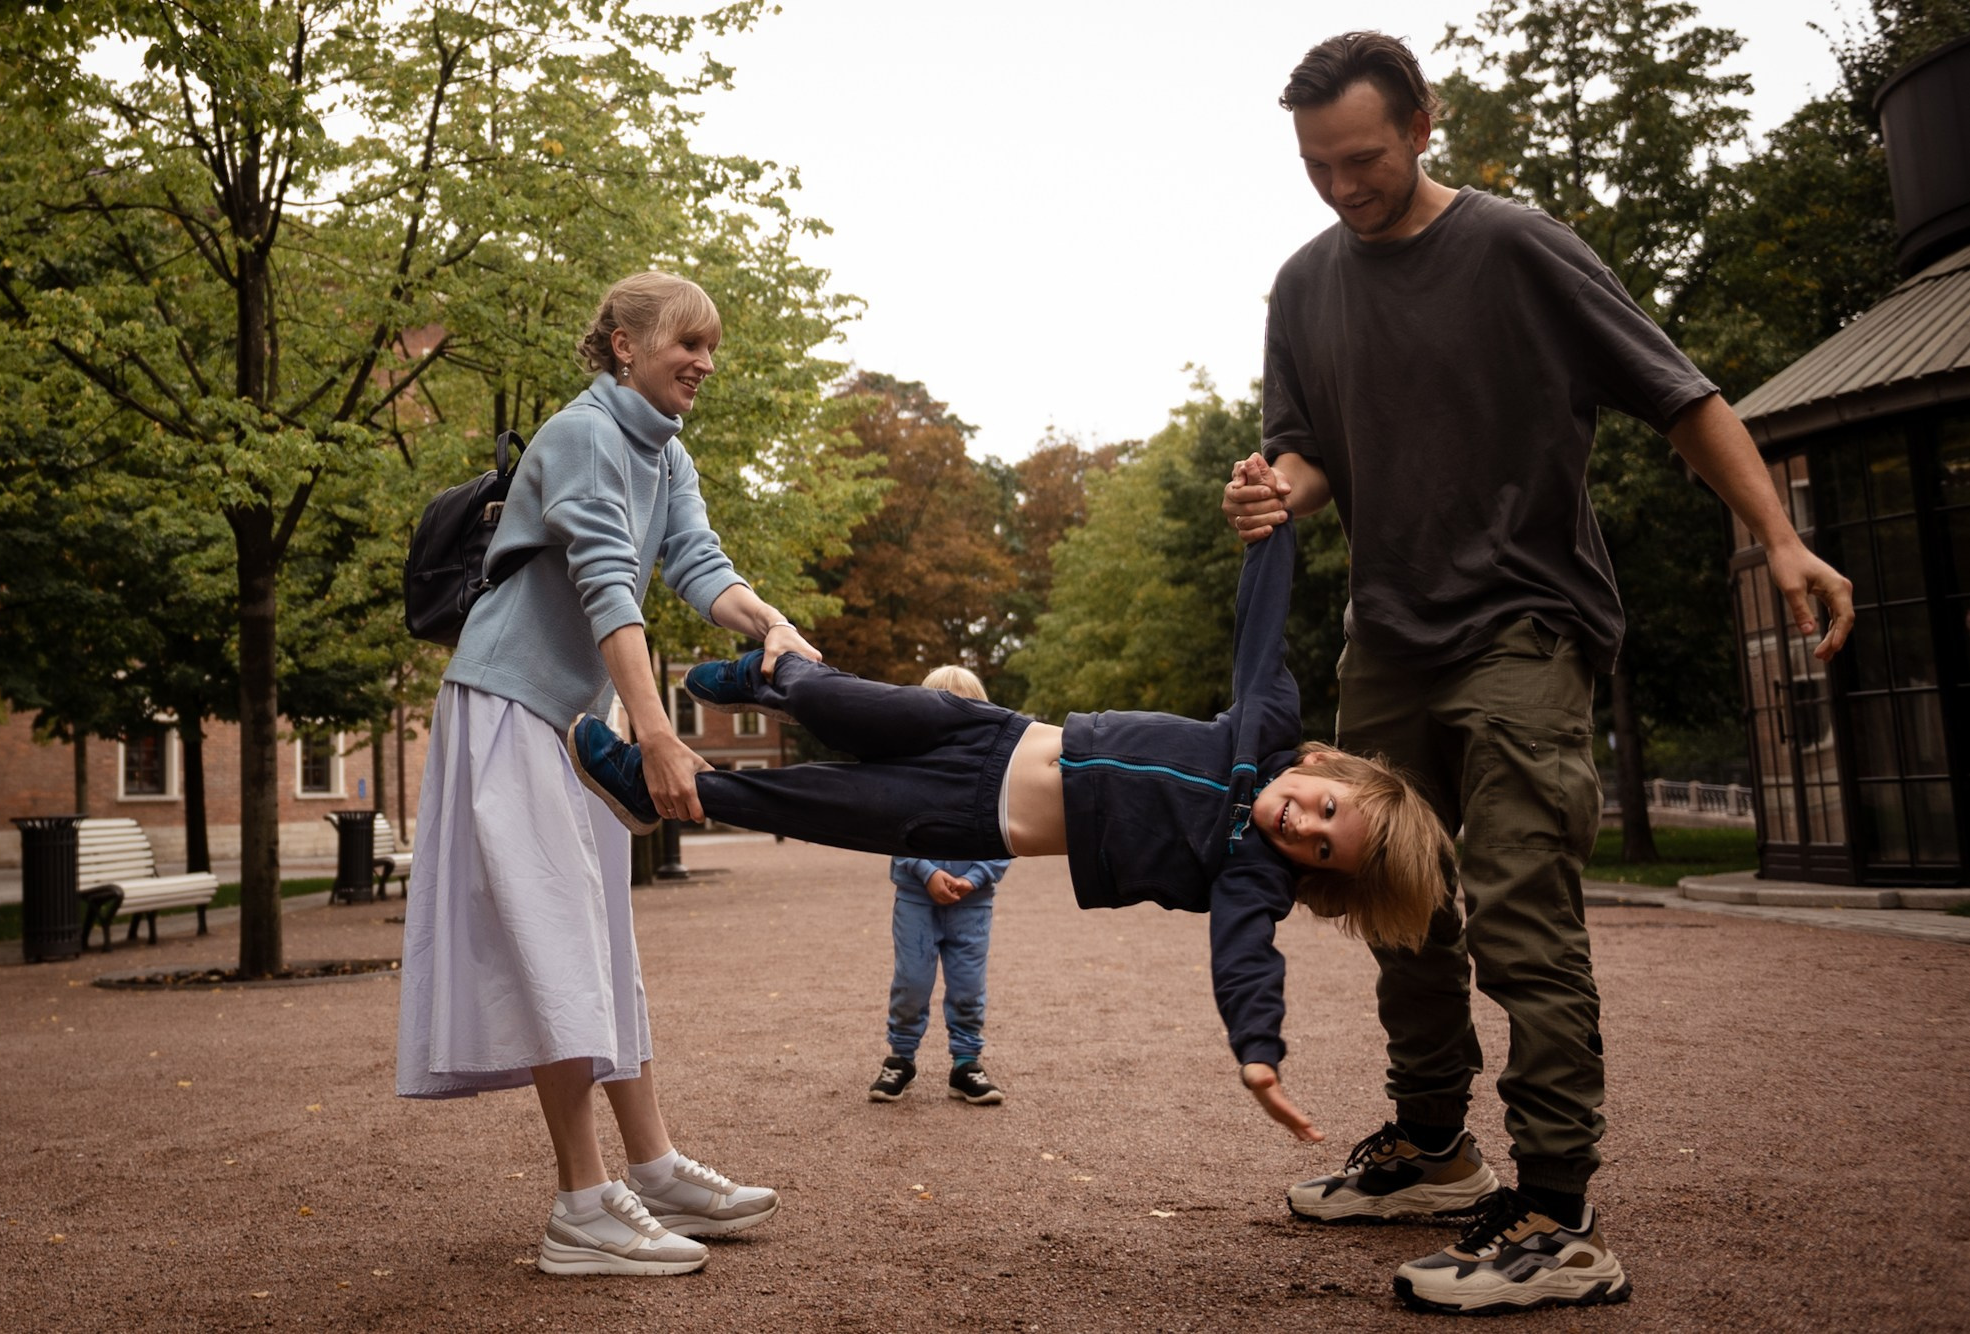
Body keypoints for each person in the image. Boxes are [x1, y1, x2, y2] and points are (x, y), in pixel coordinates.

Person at [1220, 32, 1856, 1316]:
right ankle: (1434, 1146)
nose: (1342, 186)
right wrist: (1267, 488)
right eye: (1315, 166)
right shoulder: (1302, 287)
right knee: (1389, 900)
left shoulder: (1515, 247)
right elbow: (1308, 452)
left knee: (1516, 909)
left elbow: (1682, 395)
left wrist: (1777, 535)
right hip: (1387, 635)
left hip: (1523, 625)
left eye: (1363, 158)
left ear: (1424, 124)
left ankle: (1559, 1213)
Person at [568, 512, 1458, 1142]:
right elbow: (1260, 634)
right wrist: (1272, 525)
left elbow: (1246, 959)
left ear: (1313, 874)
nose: (1301, 825)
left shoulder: (1247, 873)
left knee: (816, 801)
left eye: (1318, 850)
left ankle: (670, 792)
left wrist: (1258, 1053)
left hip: (969, 817)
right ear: (1323, 768)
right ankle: (774, 679)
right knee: (840, 699)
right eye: (1324, 809)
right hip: (990, 733)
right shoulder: (1263, 734)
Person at [395, 271, 819, 1278]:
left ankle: (654, 1163)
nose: (705, 362)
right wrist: (662, 733)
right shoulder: (583, 433)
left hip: (571, 719)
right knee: (557, 943)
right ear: (625, 344)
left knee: (603, 944)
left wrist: (768, 621)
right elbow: (602, 582)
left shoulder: (664, 451)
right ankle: (583, 1204)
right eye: (688, 342)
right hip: (509, 707)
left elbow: (697, 563)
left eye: (712, 348)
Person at [869, 665, 1013, 1108]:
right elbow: (893, 828)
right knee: (912, 981)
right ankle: (901, 1058)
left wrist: (974, 878)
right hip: (917, 897)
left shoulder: (995, 774)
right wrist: (927, 871)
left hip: (973, 903)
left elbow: (1008, 833)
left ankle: (967, 1062)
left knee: (968, 985)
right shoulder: (908, 770)